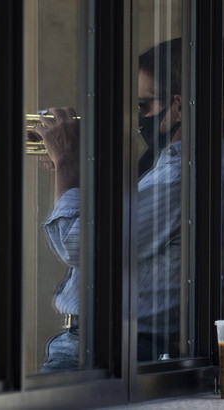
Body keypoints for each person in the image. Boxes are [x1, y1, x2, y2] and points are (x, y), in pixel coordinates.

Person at [30, 37, 183, 371]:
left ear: (178, 107)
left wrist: (68, 166)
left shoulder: (178, 174)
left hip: (101, 347)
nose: (137, 116)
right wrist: (68, 168)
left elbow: (77, 246)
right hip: (103, 343)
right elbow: (113, 231)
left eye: (143, 106)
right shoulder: (165, 165)